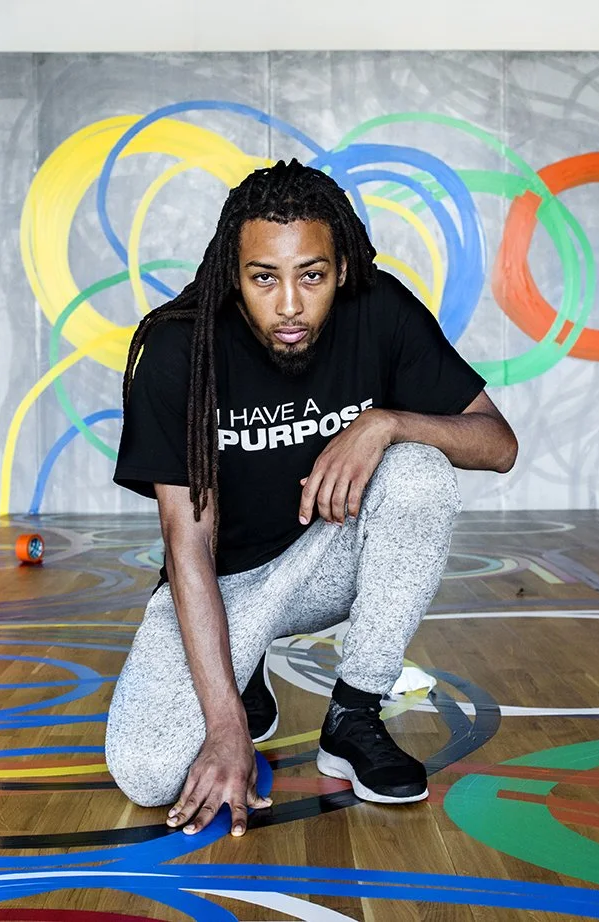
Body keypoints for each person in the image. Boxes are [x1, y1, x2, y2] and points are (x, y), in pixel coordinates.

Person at [106, 159, 518, 838]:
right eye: (264, 278)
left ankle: (354, 716)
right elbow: (189, 543)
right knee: (148, 775)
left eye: (312, 276)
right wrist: (224, 728)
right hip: (228, 585)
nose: (291, 305)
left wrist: (387, 422)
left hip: (329, 555)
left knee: (418, 469)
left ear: (343, 270)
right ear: (232, 276)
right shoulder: (181, 350)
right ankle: (244, 678)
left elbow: (498, 444)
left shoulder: (379, 310)